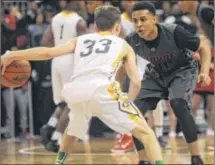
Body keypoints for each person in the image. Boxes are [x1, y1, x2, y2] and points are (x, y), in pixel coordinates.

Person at [1, 5, 164, 165]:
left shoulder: (80, 40)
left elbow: (47, 52)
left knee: (73, 129)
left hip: (75, 91)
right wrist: (129, 102)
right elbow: (135, 82)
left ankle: (59, 162)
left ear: (94, 26)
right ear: (117, 27)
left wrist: (13, 54)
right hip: (102, 89)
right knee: (147, 133)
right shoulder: (123, 45)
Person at [118, 2, 211, 165]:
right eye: (135, 21)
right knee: (133, 112)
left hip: (183, 70)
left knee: (178, 103)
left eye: (143, 19)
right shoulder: (131, 40)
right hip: (156, 73)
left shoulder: (174, 32)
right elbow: (122, 66)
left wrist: (204, 72)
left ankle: (196, 156)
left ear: (154, 19)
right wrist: (115, 88)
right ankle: (143, 160)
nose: (139, 24)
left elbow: (204, 47)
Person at [39, 0, 88, 152]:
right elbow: (83, 48)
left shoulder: (55, 18)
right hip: (70, 62)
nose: (83, 3)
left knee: (61, 103)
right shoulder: (79, 21)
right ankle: (56, 138)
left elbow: (45, 41)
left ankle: (50, 124)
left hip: (56, 60)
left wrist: (57, 49)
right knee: (72, 103)